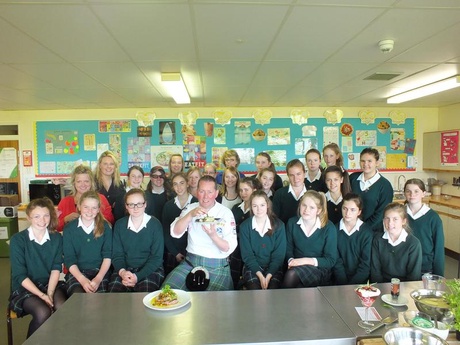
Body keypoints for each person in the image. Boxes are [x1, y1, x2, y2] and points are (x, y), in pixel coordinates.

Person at [163, 175, 237, 291]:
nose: (205, 196)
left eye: (209, 192)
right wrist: (190, 215)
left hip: (217, 265)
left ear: (216, 193)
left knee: (215, 304)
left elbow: (228, 248)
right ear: (197, 192)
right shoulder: (190, 208)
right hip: (190, 262)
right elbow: (175, 233)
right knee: (167, 291)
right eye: (202, 191)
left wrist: (213, 236)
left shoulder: (225, 213)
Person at [9, 198, 67, 338]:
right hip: (25, 287)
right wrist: (42, 296)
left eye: (46, 215)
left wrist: (50, 293)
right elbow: (20, 275)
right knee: (43, 311)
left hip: (48, 283)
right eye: (37, 216)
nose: (42, 220)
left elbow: (55, 268)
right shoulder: (18, 240)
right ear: (29, 217)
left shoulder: (56, 238)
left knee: (63, 308)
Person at [109, 188, 165, 292]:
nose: (135, 208)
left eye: (139, 204)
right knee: (114, 296)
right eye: (131, 204)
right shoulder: (120, 225)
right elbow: (117, 255)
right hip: (125, 269)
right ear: (126, 206)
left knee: (144, 296)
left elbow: (156, 257)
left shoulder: (155, 224)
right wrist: (122, 272)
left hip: (150, 270)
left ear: (145, 204)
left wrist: (137, 276)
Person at [283, 191, 337, 288]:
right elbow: (288, 249)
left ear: (319, 210)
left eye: (312, 207)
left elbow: (330, 260)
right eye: (304, 205)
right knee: (294, 279)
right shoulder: (292, 223)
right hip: (295, 267)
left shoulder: (329, 227)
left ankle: (282, 303)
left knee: (291, 275)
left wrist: (303, 261)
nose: (306, 210)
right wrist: (291, 261)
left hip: (319, 269)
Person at [63, 191, 112, 296]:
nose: (90, 211)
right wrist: (82, 280)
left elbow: (107, 256)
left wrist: (98, 279)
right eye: (86, 207)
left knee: (99, 302)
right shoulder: (69, 229)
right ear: (79, 207)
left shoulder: (105, 227)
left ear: (98, 209)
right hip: (77, 273)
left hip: (100, 272)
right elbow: (69, 259)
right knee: (78, 300)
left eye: (94, 208)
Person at [239, 191, 286, 289]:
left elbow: (279, 256)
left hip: (274, 267)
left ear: (267, 205)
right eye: (255, 206)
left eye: (262, 205)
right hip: (252, 267)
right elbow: (247, 255)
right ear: (251, 207)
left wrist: (268, 275)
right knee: (255, 292)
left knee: (273, 291)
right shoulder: (245, 226)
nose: (259, 209)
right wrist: (260, 276)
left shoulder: (279, 225)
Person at [370, 202, 422, 283]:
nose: (390, 223)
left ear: (403, 221)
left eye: (395, 219)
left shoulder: (413, 243)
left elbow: (414, 276)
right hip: (382, 285)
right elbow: (375, 271)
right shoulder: (378, 240)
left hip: (405, 286)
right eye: (387, 218)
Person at [404, 178, 444, 276]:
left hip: (425, 268)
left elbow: (438, 248)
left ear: (424, 193)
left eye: (416, 191)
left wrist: (439, 275)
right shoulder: (400, 215)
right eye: (408, 191)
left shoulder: (433, 217)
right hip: (403, 266)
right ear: (404, 193)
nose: (412, 194)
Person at [57, 164, 114, 232]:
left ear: (91, 182)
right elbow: (56, 227)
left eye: (86, 181)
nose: (83, 185)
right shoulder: (65, 202)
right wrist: (65, 220)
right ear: (74, 183)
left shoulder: (101, 199)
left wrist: (93, 217)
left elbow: (110, 221)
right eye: (79, 181)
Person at [349, 147, 393, 232]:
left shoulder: (385, 185)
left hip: (373, 231)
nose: (365, 164)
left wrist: (363, 229)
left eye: (369, 161)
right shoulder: (353, 178)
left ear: (377, 163)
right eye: (362, 161)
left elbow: (381, 213)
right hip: (351, 228)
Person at [333, 193, 373, 285]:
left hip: (360, 282)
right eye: (345, 209)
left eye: (352, 210)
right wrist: (344, 284)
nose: (348, 213)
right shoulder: (334, 230)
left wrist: (352, 285)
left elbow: (365, 264)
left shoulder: (367, 232)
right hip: (338, 280)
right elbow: (336, 261)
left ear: (359, 212)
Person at [162, 173, 197, 276]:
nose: (179, 187)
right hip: (173, 252)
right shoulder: (168, 206)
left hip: (193, 252)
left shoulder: (197, 203)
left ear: (187, 184)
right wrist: (175, 253)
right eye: (175, 184)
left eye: (182, 183)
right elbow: (165, 232)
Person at [230, 177, 261, 288]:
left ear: (254, 190)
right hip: (235, 248)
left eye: (246, 190)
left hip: (251, 248)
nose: (243, 193)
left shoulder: (258, 210)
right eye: (241, 190)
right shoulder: (236, 208)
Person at [273, 159, 307, 224]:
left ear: (304, 174)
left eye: (298, 174)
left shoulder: (312, 194)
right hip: (284, 232)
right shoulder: (279, 194)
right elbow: (275, 219)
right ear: (288, 176)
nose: (295, 178)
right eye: (292, 175)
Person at [94, 151, 125, 221]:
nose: (109, 167)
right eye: (105, 164)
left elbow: (123, 203)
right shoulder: (92, 183)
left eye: (111, 164)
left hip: (116, 222)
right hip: (98, 222)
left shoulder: (119, 184)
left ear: (115, 167)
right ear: (100, 165)